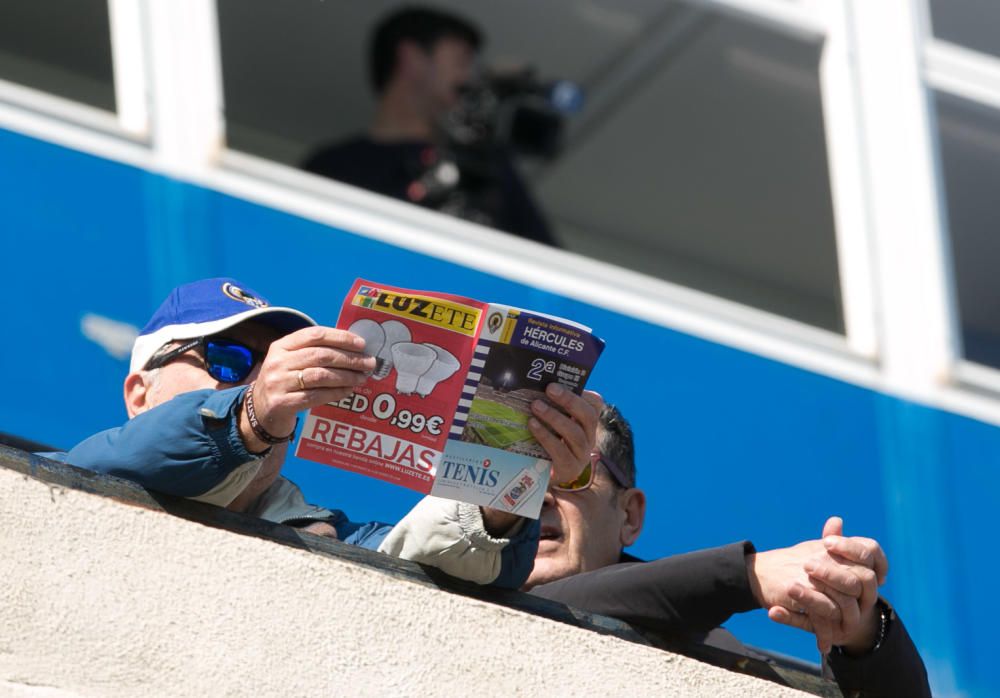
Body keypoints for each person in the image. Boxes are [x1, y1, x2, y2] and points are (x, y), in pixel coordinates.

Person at [45, 277, 600, 589]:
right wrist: (250, 414)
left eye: (280, 363)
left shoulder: (335, 535)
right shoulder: (60, 476)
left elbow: (448, 567)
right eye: (230, 357)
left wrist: (504, 479)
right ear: (138, 393)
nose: (265, 377)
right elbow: (124, 465)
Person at [525, 405, 931, 697]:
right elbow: (537, 608)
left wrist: (857, 628)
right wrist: (749, 574)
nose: (537, 494)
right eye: (515, 470)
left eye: (572, 472)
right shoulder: (465, 594)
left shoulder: (717, 651)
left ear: (630, 515)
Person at [302, 6, 556, 246]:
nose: (469, 77)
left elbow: (548, 267)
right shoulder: (331, 166)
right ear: (410, 56)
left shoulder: (487, 166)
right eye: (461, 61)